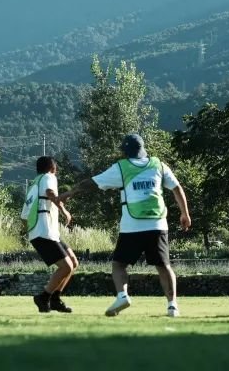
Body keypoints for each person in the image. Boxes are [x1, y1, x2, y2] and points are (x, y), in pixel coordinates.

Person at [58, 133, 191, 318]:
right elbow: (177, 188)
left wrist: (70, 193)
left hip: (132, 226)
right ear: (143, 149)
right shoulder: (159, 165)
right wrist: (185, 213)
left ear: (126, 152)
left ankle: (122, 296)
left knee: (119, 265)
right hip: (158, 223)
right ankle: (172, 306)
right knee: (164, 266)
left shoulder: (122, 168)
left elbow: (93, 183)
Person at [20, 155, 78, 313]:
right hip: (44, 231)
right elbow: (51, 193)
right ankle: (44, 297)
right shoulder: (48, 177)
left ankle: (55, 299)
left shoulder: (33, 185)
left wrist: (30, 234)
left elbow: (24, 216)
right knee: (66, 266)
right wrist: (64, 211)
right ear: (53, 168)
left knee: (73, 262)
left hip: (44, 232)